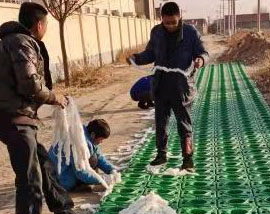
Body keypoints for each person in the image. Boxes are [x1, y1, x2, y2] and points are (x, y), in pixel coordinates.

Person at [0, 3, 89, 214]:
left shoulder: (14, 40)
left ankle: (62, 209)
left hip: (19, 115)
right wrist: (53, 97)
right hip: (14, 116)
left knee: (43, 163)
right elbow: (29, 83)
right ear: (39, 24)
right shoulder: (21, 42)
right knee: (30, 173)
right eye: (47, 24)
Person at [127, 1, 209, 172]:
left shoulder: (190, 32)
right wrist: (136, 57)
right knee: (160, 122)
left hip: (182, 87)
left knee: (184, 124)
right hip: (161, 86)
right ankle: (161, 154)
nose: (170, 25)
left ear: (180, 17)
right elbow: (150, 53)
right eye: (167, 22)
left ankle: (187, 158)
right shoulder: (156, 32)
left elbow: (203, 52)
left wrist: (200, 60)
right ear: (161, 19)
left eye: (174, 22)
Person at [49, 119, 117, 192]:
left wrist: (111, 170)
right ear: (93, 135)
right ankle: (75, 185)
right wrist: (102, 179)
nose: (101, 142)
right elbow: (81, 171)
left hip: (65, 167)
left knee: (94, 158)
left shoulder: (86, 134)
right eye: (101, 139)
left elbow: (99, 156)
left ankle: (83, 182)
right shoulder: (79, 142)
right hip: (58, 176)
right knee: (91, 160)